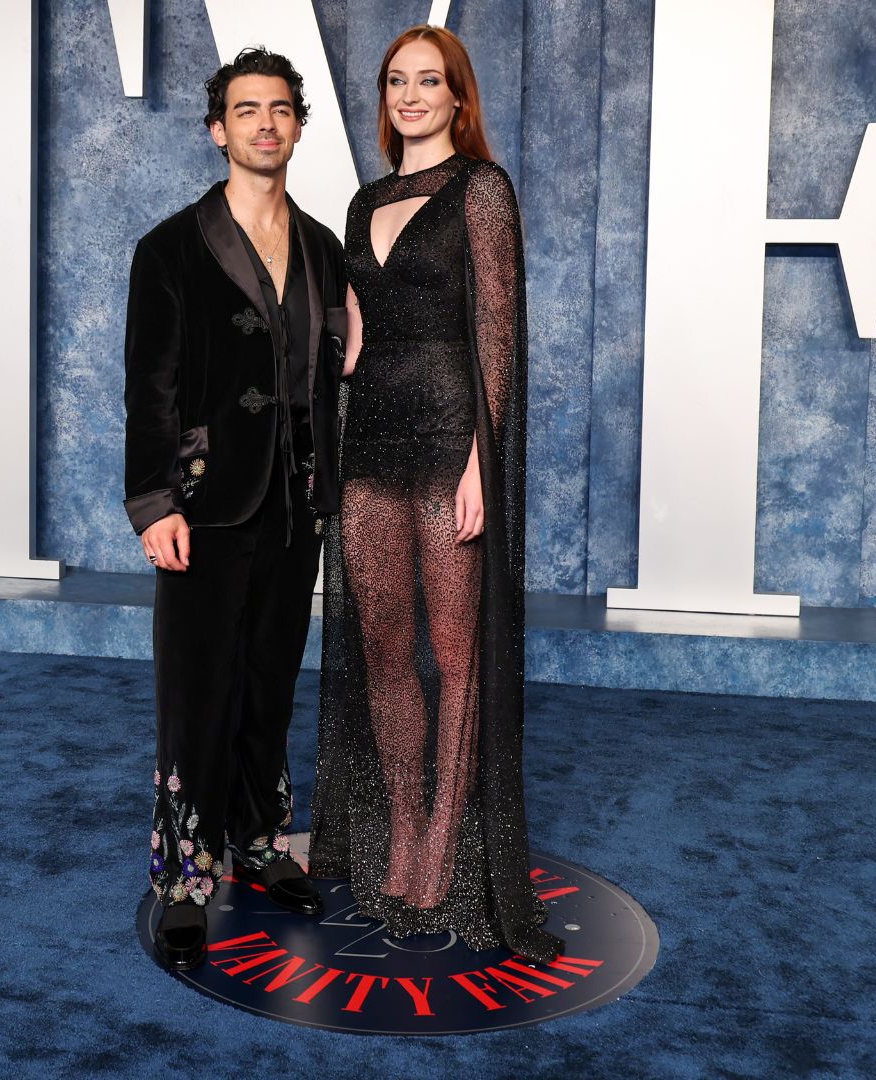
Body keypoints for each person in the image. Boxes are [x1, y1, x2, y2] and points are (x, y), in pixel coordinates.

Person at [308, 24, 563, 963]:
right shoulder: (362, 200)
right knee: (381, 646)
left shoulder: (482, 191)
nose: (409, 95)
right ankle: (401, 824)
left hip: (451, 434)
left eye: (428, 81)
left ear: (459, 96)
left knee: (454, 653)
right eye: (395, 81)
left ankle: (441, 844)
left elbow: (495, 336)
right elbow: (359, 341)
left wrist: (480, 466)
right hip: (370, 436)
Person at [124, 47, 349, 972]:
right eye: (245, 110)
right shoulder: (169, 248)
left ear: (300, 126)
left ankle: (259, 843)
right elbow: (151, 390)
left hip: (297, 507)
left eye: (280, 109)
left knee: (269, 683)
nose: (265, 123)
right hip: (206, 507)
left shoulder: (327, 248)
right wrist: (152, 505)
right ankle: (185, 878)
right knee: (197, 693)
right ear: (218, 130)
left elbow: (332, 373)